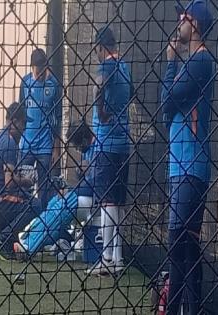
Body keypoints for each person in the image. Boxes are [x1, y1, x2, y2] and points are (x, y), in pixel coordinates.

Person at [161, 1, 214, 313]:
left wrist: (170, 63)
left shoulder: (199, 61)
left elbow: (166, 100)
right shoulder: (192, 63)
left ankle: (174, 308)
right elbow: (167, 111)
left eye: (183, 18)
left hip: (188, 164)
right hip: (184, 163)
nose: (178, 23)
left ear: (194, 24)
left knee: (178, 245)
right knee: (187, 251)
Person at [85, 26, 133, 275]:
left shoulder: (108, 65)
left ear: (101, 48)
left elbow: (97, 88)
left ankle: (106, 258)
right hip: (123, 143)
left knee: (107, 201)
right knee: (118, 202)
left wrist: (102, 112)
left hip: (107, 144)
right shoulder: (125, 67)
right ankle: (117, 257)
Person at [14, 120, 98, 256]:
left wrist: (85, 175)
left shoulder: (98, 148)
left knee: (61, 208)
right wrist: (79, 173)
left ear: (83, 139)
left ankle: (30, 247)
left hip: (94, 197)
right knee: (54, 203)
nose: (76, 149)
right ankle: (28, 240)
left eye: (76, 145)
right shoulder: (87, 150)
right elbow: (85, 180)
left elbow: (96, 182)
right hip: (84, 193)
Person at [0, 102, 41, 260]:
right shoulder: (9, 143)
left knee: (24, 197)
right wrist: (26, 181)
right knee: (35, 205)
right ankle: (2, 239)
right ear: (14, 121)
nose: (25, 128)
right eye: (24, 123)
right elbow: (9, 182)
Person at [19, 48, 63, 209]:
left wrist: (56, 148)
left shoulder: (54, 85)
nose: (40, 75)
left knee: (45, 190)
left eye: (43, 71)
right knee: (24, 189)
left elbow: (58, 118)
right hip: (26, 146)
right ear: (32, 67)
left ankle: (43, 227)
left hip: (45, 146)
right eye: (37, 72)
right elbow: (20, 114)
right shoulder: (25, 83)